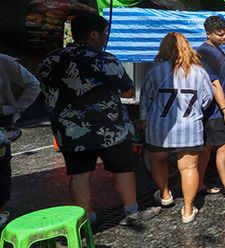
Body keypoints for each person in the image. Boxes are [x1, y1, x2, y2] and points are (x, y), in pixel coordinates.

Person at [37, 13, 161, 226]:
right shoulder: (106, 59)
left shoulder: (52, 58)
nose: (106, 37)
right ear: (94, 34)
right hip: (111, 129)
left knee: (79, 174)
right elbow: (128, 92)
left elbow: (41, 81)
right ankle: (131, 212)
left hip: (70, 131)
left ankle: (87, 218)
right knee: (123, 169)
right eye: (105, 33)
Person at [141, 33, 213, 223]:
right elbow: (207, 100)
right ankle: (188, 211)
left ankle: (165, 195)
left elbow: (145, 100)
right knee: (189, 167)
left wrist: (143, 119)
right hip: (190, 127)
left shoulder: (154, 71)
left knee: (157, 161)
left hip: (159, 128)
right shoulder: (199, 72)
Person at [196, 15, 225, 209]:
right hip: (214, 110)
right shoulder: (207, 52)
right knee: (223, 147)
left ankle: (198, 184)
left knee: (207, 149)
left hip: (213, 110)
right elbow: (215, 85)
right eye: (219, 34)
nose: (224, 37)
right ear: (208, 34)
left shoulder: (215, 50)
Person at [0, 54, 40, 228]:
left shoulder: (4, 62)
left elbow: (33, 84)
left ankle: (0, 211)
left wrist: (12, 108)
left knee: (0, 165)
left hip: (1, 122)